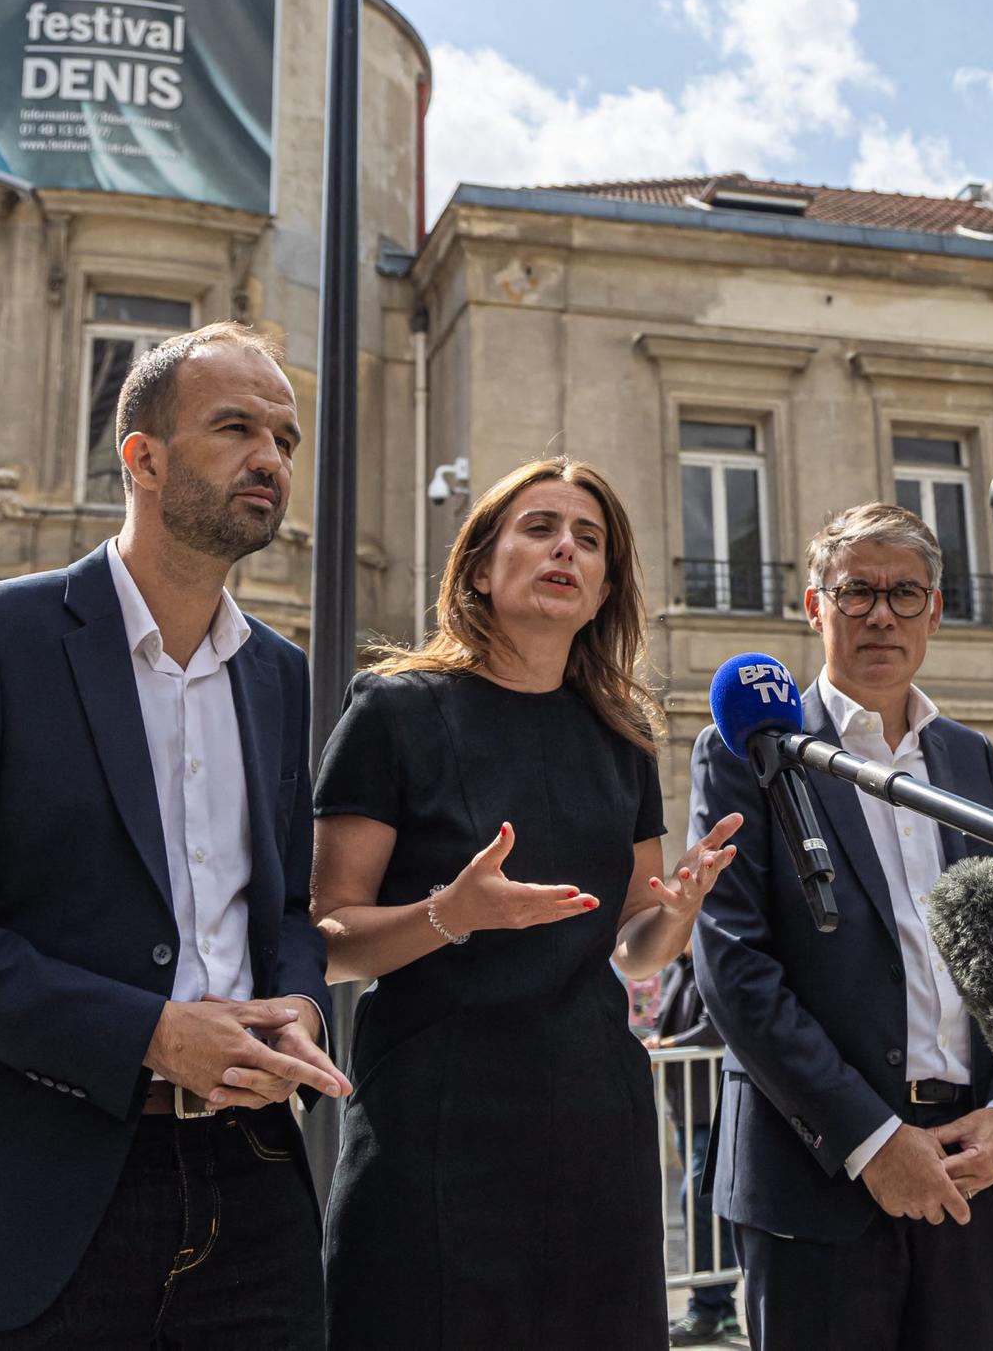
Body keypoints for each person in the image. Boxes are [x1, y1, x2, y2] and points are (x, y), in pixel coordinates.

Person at [0, 321, 350, 1345]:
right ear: (143, 456)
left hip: (251, 1193)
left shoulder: (279, 675)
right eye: (236, 426)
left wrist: (293, 1000)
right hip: (31, 1203)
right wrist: (149, 1034)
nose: (269, 457)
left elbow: (285, 905)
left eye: (285, 439)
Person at [311, 457, 738, 1351]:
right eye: (539, 528)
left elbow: (631, 946)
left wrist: (681, 910)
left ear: (604, 588)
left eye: (590, 540)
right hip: (436, 1125)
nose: (566, 551)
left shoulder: (621, 734)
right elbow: (328, 938)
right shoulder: (395, 710)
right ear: (478, 565)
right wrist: (450, 915)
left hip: (595, 1126)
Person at [691, 503, 993, 1351]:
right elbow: (735, 970)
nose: (881, 614)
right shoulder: (750, 749)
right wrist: (873, 1140)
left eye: (905, 593)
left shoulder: (968, 758)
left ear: (936, 608)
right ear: (815, 607)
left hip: (972, 1168)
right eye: (856, 592)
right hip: (820, 1178)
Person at [651, 947, 739, 1346]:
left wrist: (664, 1047)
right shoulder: (677, 968)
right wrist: (660, 1039)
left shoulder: (711, 960)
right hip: (685, 1108)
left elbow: (716, 1025)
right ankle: (721, 1308)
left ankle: (706, 1308)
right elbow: (664, 1021)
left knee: (698, 1200)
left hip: (711, 1109)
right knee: (705, 1204)